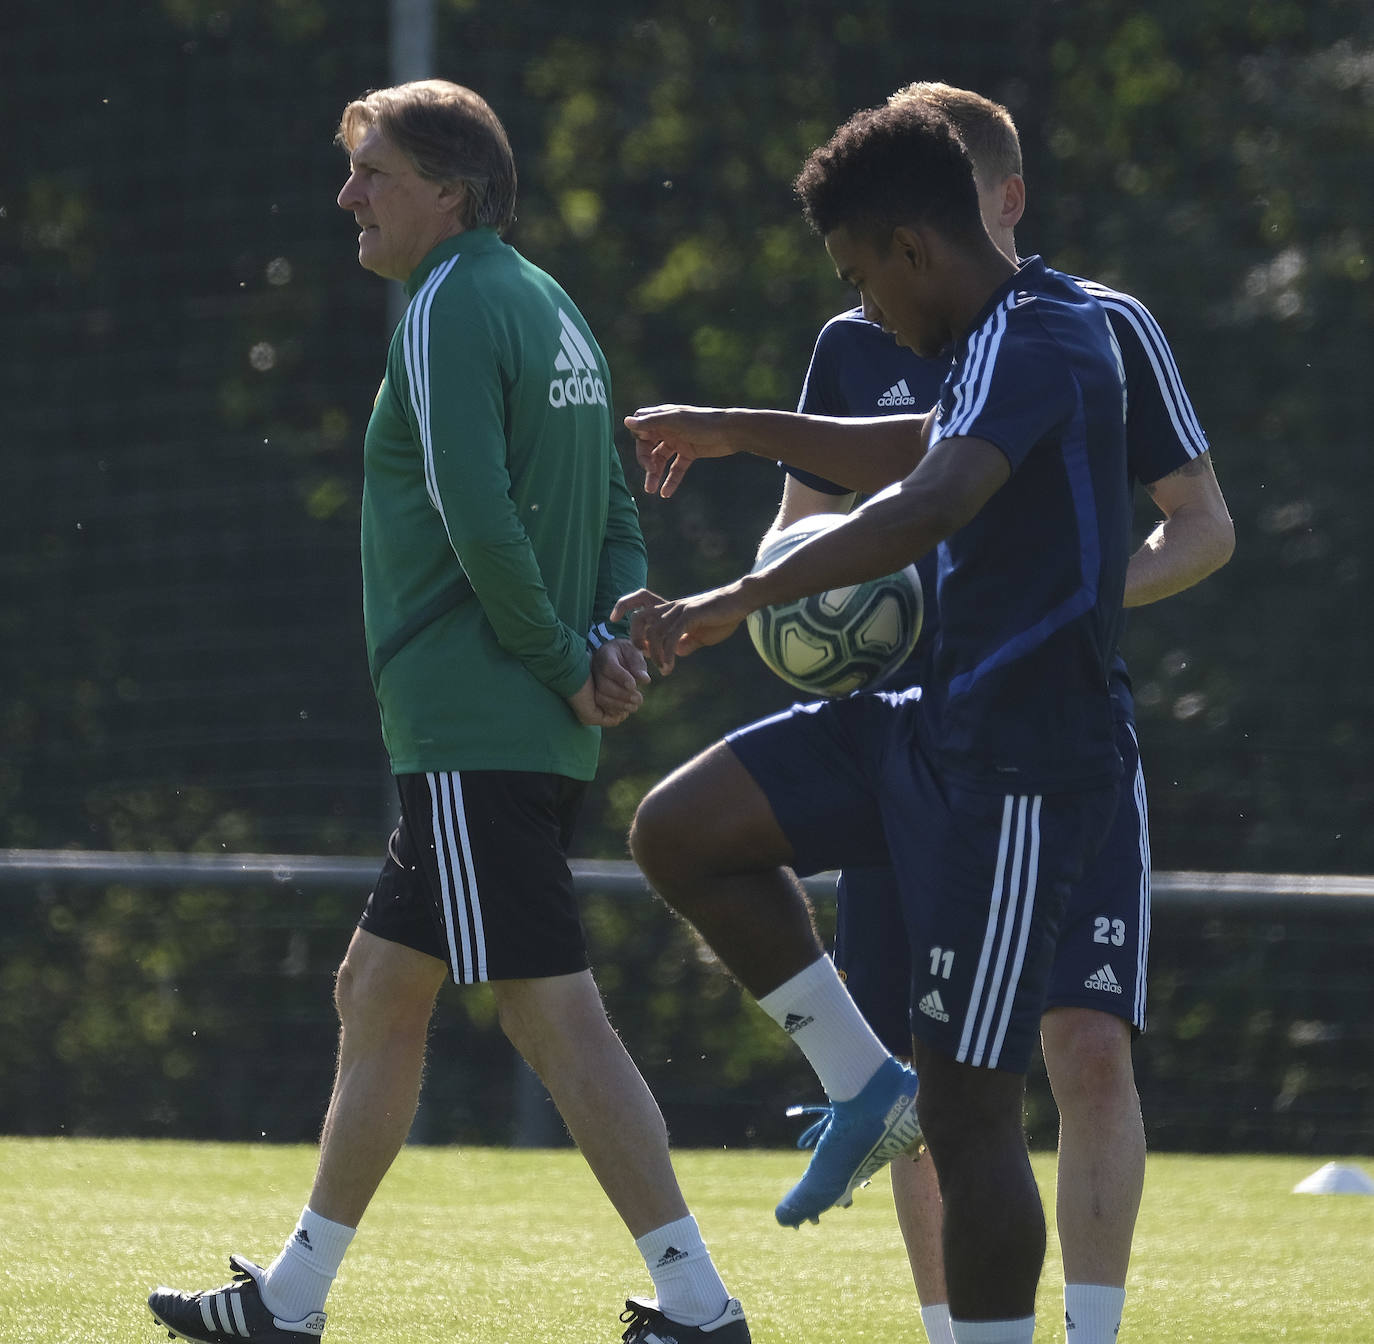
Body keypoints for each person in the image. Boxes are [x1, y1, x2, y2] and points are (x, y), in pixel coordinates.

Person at [146, 80, 749, 1344]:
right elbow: (617, 511)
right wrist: (608, 640)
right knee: (378, 987)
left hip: (483, 721)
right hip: (511, 717)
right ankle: (292, 1299)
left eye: (372, 171)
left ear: (451, 193)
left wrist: (561, 655)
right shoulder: (549, 302)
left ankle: (699, 1306)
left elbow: (478, 513)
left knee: (550, 1013)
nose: (347, 196)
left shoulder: (444, 304)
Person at [613, 99, 1133, 1344]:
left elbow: (929, 497)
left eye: (860, 277)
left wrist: (739, 597)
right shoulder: (990, 339)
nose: (864, 311)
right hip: (926, 728)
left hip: (1023, 767)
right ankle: (861, 1082)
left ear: (913, 246)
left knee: (973, 1116)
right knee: (680, 830)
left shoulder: (1058, 330)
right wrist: (737, 430)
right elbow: (908, 441)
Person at [768, 83, 1234, 1344]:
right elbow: (802, 532)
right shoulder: (857, 335)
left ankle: (1089, 1333)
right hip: (913, 746)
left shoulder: (1096, 326)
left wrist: (1068, 599)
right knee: (931, 1077)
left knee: (1084, 1046)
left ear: (1004, 201)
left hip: (1057, 743)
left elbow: (1201, 528)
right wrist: (811, 600)